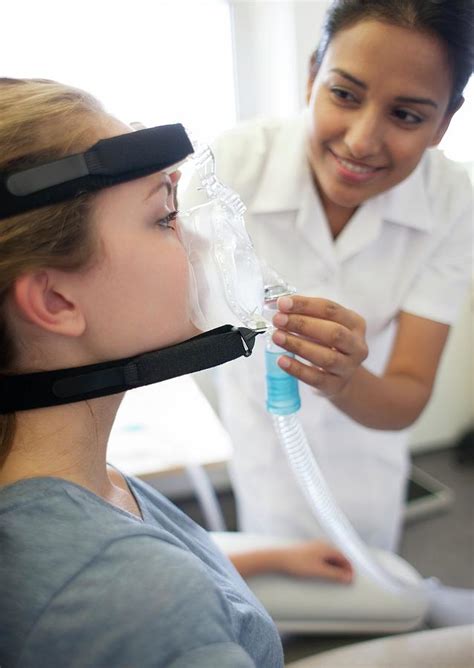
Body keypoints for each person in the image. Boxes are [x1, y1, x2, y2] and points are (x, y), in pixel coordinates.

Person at [0, 78, 354, 668]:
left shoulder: (65, 477)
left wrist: (268, 558)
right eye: (165, 218)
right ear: (56, 302)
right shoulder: (136, 602)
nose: (193, 237)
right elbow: (133, 590)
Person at [182, 0, 473, 552]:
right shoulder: (231, 167)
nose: (362, 141)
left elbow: (407, 393)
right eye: (344, 94)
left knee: (371, 589)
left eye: (406, 115)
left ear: (445, 123)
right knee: (271, 608)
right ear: (312, 73)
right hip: (263, 454)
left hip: (369, 462)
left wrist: (345, 379)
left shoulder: (453, 203)